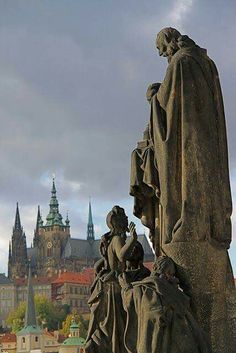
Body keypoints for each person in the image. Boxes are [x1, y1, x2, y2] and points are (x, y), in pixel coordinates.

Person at [131, 27, 232, 249]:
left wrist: (154, 96)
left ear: (169, 42)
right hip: (208, 137)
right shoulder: (206, 62)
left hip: (187, 137)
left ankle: (188, 224)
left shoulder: (179, 63)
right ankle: (210, 226)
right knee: (203, 181)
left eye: (161, 49)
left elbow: (167, 100)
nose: (162, 55)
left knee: (187, 182)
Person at [120, 256, 211, 353]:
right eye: (168, 273)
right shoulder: (175, 294)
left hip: (155, 343)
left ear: (154, 267)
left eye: (171, 275)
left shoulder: (143, 288)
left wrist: (125, 287)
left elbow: (129, 300)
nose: (169, 277)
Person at [85, 206, 138, 353]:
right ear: (118, 222)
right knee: (116, 325)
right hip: (115, 287)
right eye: (125, 217)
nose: (127, 219)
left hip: (109, 286)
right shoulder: (117, 239)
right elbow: (122, 256)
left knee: (110, 325)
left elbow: (99, 265)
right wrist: (133, 239)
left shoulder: (111, 240)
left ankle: (95, 346)